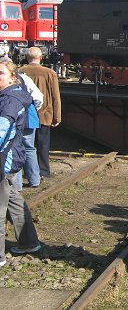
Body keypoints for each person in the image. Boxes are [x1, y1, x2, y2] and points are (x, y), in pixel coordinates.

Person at [0, 58, 41, 268]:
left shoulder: (10, 100)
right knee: (14, 200)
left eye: (1, 73)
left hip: (4, 159)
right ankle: (29, 242)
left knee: (0, 206)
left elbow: (1, 131)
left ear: (12, 77)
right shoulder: (14, 95)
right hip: (13, 156)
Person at [19, 47, 61, 178]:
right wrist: (57, 116)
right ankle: (43, 171)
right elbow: (55, 96)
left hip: (25, 114)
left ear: (26, 58)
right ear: (41, 58)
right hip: (45, 114)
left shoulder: (19, 72)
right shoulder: (50, 73)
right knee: (43, 144)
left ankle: (28, 172)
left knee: (26, 144)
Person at [16, 72, 43, 190]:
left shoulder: (23, 77)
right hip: (28, 117)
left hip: (19, 117)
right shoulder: (24, 78)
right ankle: (34, 179)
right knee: (29, 148)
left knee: (15, 150)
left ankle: (17, 185)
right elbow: (38, 97)